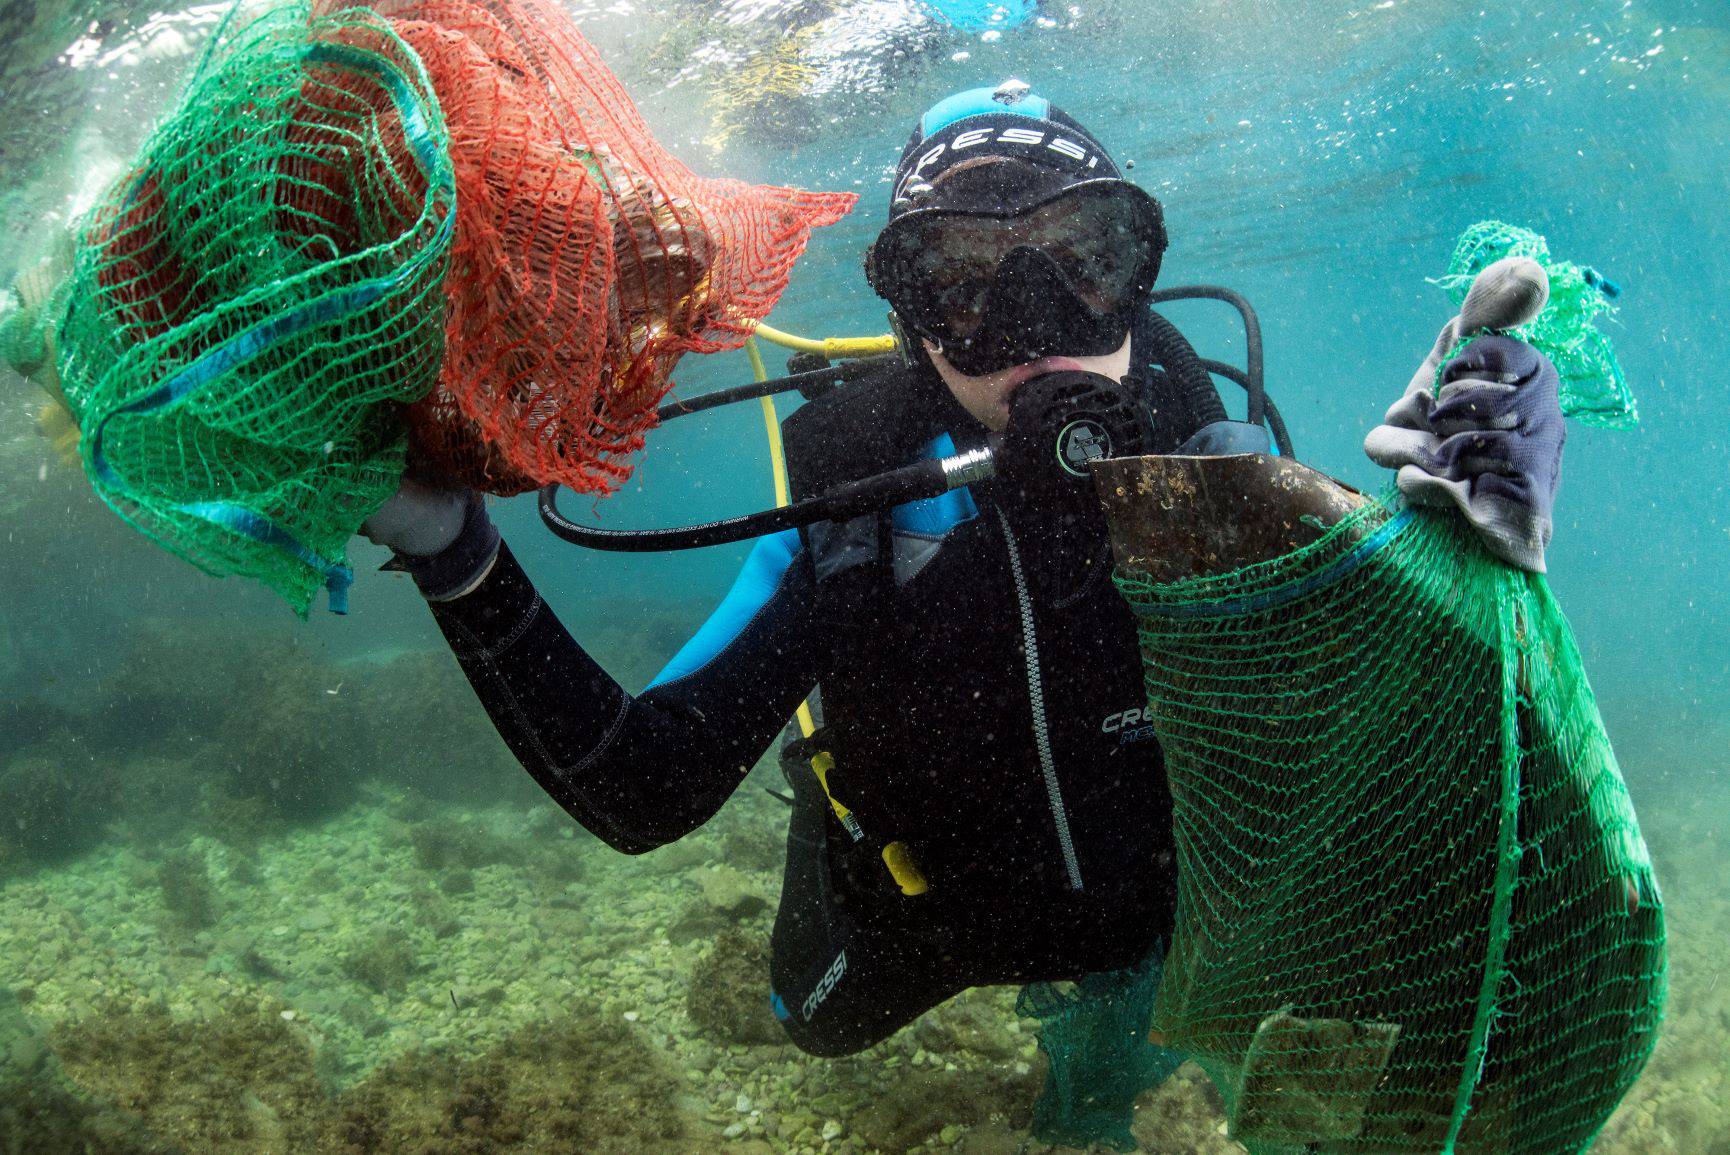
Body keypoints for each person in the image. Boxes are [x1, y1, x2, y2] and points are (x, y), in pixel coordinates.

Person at [361, 82, 1563, 1057]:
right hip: (921, 917)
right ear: (908, 320)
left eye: (1079, 261)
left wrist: (1448, 571)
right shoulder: (851, 508)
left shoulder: (1218, 459)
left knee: (1143, 1029)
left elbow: (1396, 758)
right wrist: (452, 549)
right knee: (808, 1030)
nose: (1034, 331)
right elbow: (641, 787)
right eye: (963, 284)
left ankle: (1091, 1043)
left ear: (1135, 276)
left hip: (1169, 908)